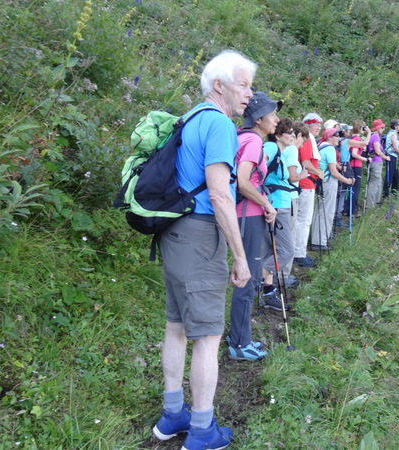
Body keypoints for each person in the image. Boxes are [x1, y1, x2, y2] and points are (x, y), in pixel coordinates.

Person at [152, 49, 254, 449]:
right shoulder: (220, 124)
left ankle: (172, 414)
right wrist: (240, 256)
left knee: (176, 326)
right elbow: (220, 193)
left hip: (174, 232)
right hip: (199, 236)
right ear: (219, 85)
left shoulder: (191, 117)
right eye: (242, 85)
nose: (249, 94)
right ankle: (201, 431)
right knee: (208, 337)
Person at [227, 91, 280, 361]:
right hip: (247, 214)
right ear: (258, 119)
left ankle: (237, 336)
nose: (277, 120)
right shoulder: (253, 141)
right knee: (248, 277)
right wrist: (267, 204)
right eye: (273, 115)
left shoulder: (241, 137)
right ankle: (239, 343)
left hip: (242, 213)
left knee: (246, 274)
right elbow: (243, 182)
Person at [261, 118, 307, 295]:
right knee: (286, 250)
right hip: (276, 205)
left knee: (271, 250)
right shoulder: (271, 147)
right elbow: (257, 165)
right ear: (277, 135)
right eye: (289, 132)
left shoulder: (280, 153)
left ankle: (268, 289)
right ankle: (255, 277)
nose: (293, 135)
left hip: (279, 204)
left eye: (294, 133)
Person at [310, 127, 355, 251]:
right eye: (336, 136)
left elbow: (331, 164)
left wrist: (339, 167)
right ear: (330, 137)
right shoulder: (329, 148)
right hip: (328, 182)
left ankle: (317, 239)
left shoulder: (320, 146)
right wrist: (347, 181)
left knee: (320, 210)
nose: (339, 139)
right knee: (327, 211)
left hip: (321, 182)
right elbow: (334, 172)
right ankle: (320, 242)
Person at [292, 113, 325, 267]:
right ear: (308, 125)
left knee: (304, 220)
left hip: (307, 183)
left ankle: (300, 251)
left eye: (320, 124)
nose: (319, 127)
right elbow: (305, 162)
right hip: (305, 183)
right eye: (316, 124)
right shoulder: (307, 139)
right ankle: (298, 253)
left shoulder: (309, 139)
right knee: (303, 220)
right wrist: (318, 173)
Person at [281, 121, 310, 281]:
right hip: (290, 197)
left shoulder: (284, 148)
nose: (302, 145)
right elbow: (292, 177)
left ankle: (281, 273)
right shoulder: (292, 150)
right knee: (289, 237)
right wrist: (303, 175)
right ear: (298, 135)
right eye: (303, 140)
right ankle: (284, 274)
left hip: (285, 196)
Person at [344, 120, 371, 219]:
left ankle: (346, 209)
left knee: (349, 188)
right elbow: (354, 154)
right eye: (363, 127)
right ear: (360, 128)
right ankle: (353, 210)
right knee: (355, 188)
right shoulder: (356, 139)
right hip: (355, 166)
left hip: (351, 165)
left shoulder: (352, 138)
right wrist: (366, 159)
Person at [365, 119, 391, 209]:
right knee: (374, 183)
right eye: (382, 128)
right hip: (376, 161)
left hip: (374, 161)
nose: (383, 129)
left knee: (376, 182)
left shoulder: (371, 135)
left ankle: (374, 203)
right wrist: (386, 157)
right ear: (378, 128)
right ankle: (370, 205)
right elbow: (378, 151)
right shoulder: (375, 136)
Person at [382, 119, 399, 199]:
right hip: (390, 156)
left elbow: (397, 147)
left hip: (394, 156)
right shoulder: (393, 134)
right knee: (389, 176)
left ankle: (394, 195)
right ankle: (385, 195)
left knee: (396, 176)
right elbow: (395, 148)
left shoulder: (394, 134)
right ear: (395, 126)